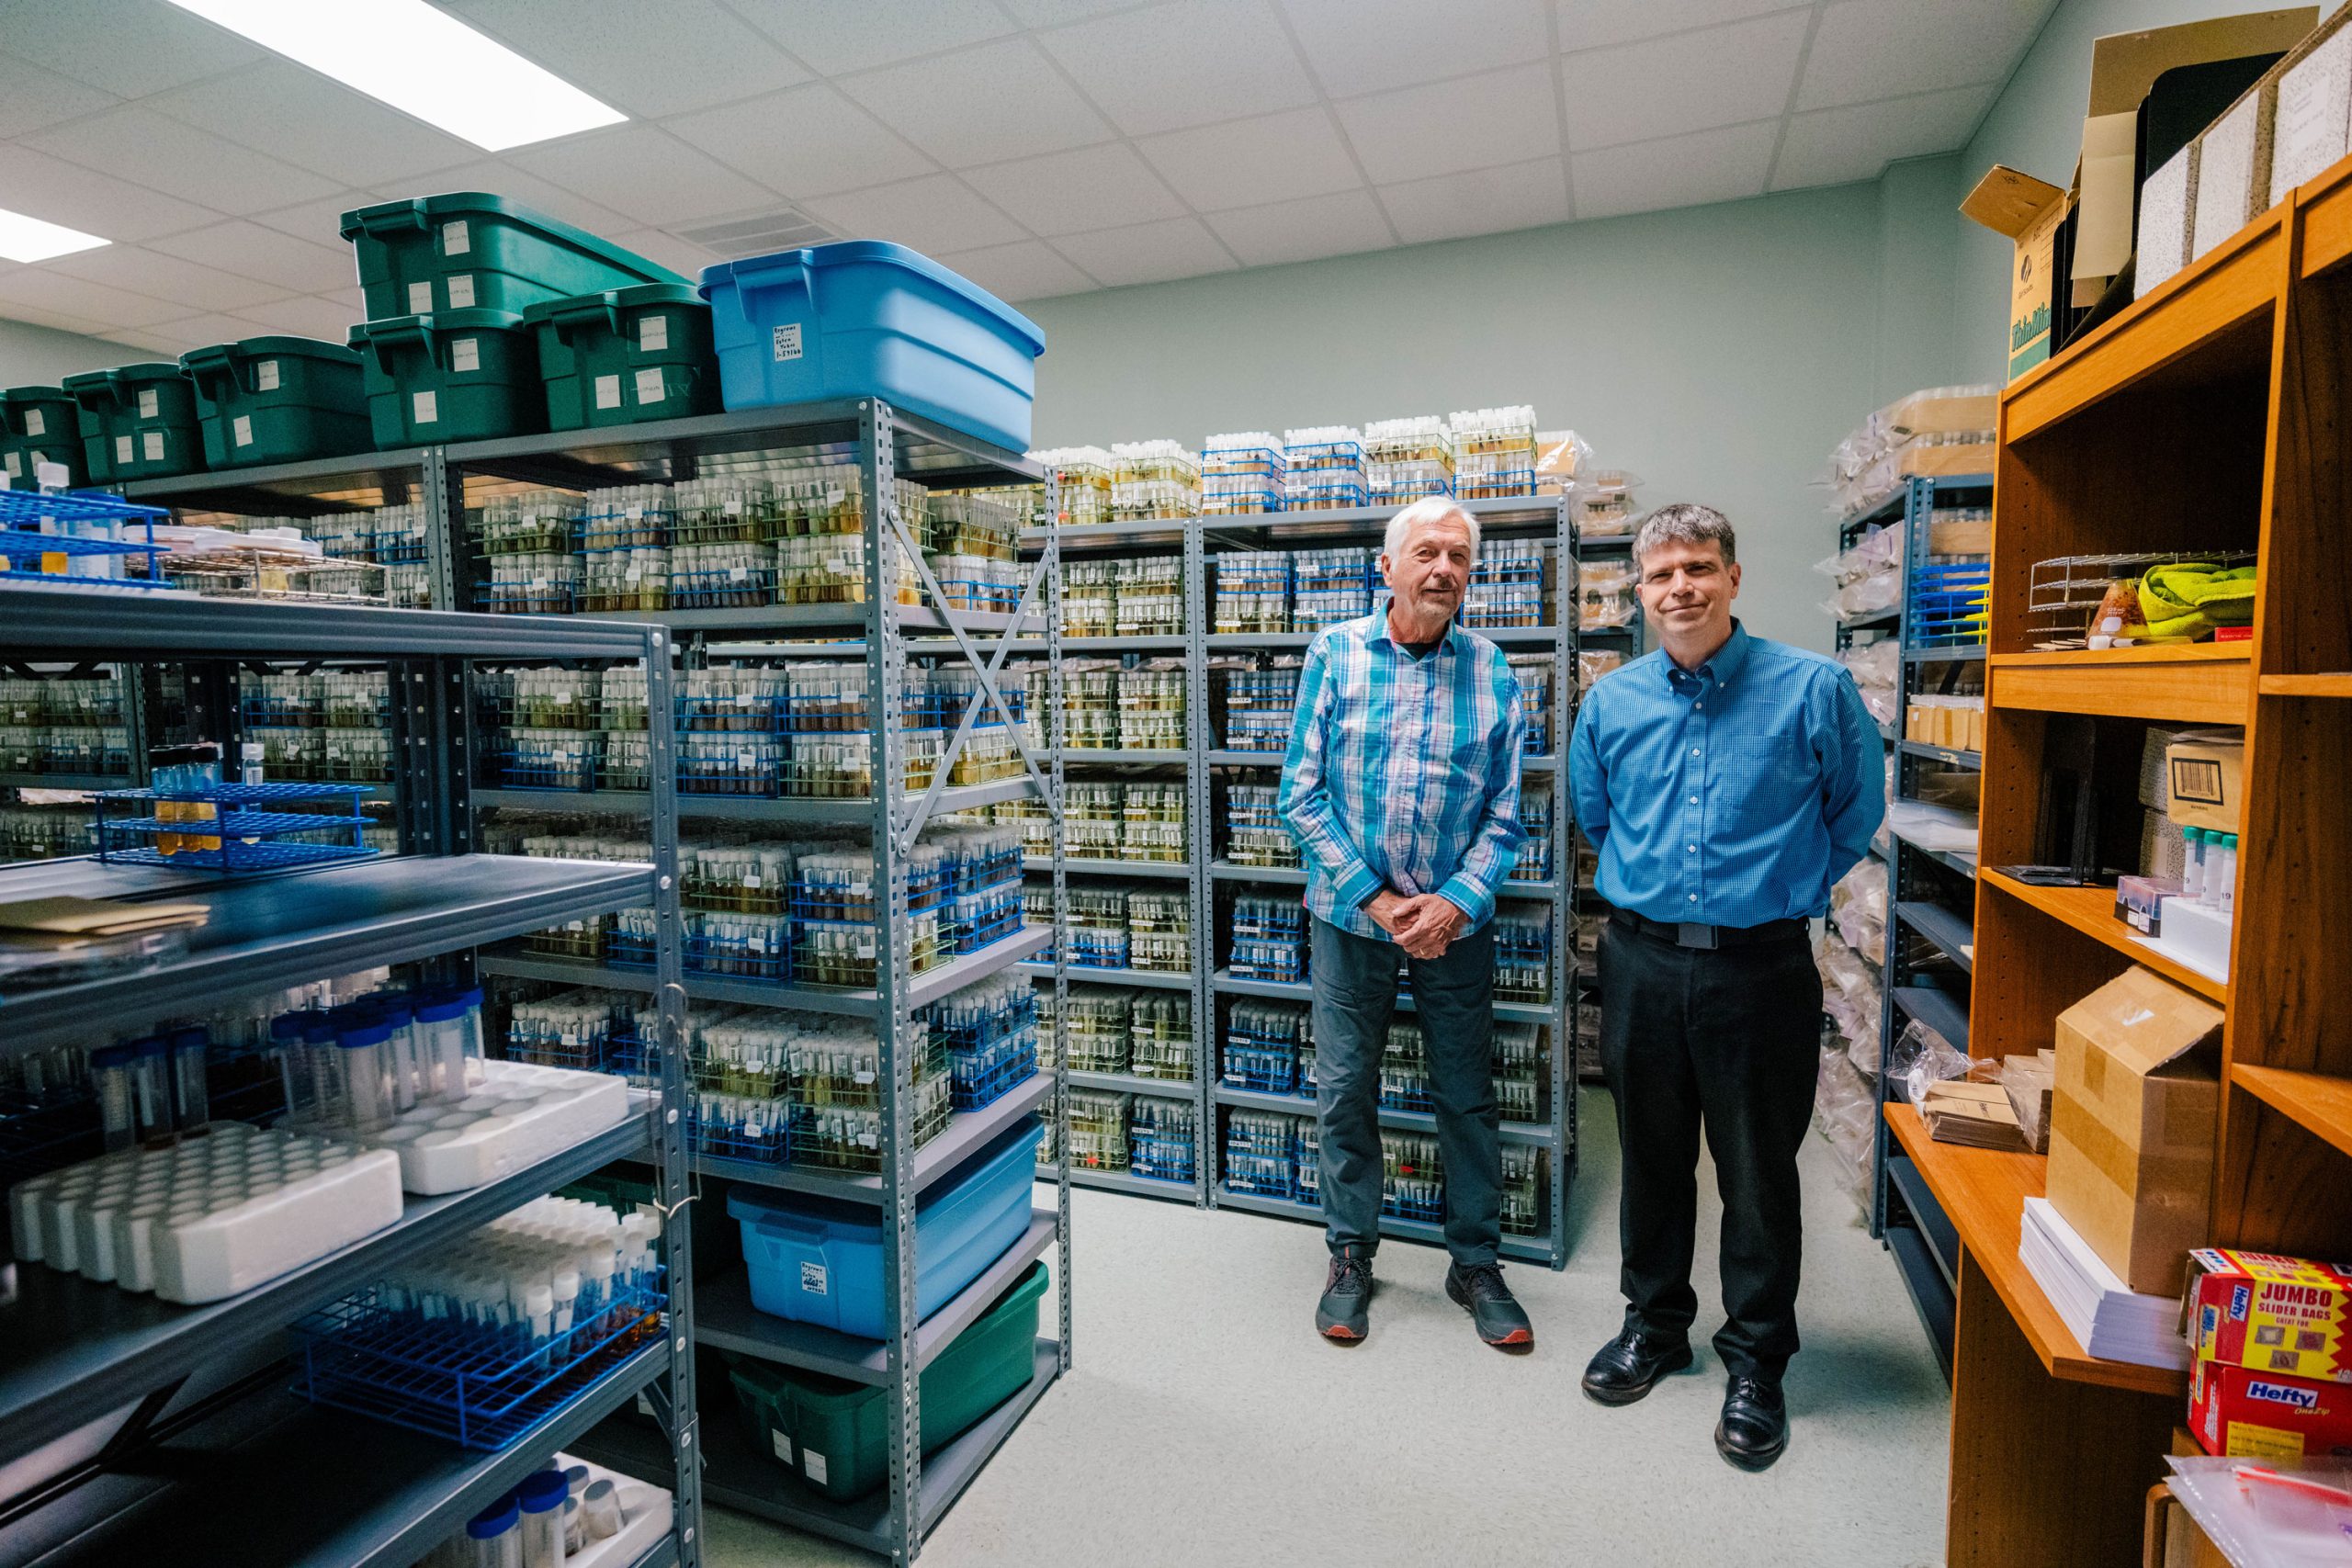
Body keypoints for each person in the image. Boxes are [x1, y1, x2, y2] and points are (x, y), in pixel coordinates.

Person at [1567, 502, 1882, 1471]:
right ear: (1638, 592)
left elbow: (1852, 813)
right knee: (1651, 1159)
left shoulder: (1813, 690)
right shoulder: (1610, 702)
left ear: (1733, 578)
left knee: (1755, 1174)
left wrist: (1773, 889)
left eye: (1697, 568)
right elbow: (1595, 819)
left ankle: (1756, 1360)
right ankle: (1654, 1327)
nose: (1679, 589)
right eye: (1659, 576)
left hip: (1759, 967)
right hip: (1642, 961)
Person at [1278, 495, 1532, 1348]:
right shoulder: (1335, 653)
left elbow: (1506, 812)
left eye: (1459, 557)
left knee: (1466, 1094)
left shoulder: (1493, 670)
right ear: (1386, 567)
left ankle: (1475, 1260)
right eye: (1427, 552)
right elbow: (1300, 795)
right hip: (1352, 923)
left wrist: (1454, 901)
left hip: (1454, 926)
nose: (1444, 570)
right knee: (1346, 1089)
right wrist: (1378, 902)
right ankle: (1350, 1250)